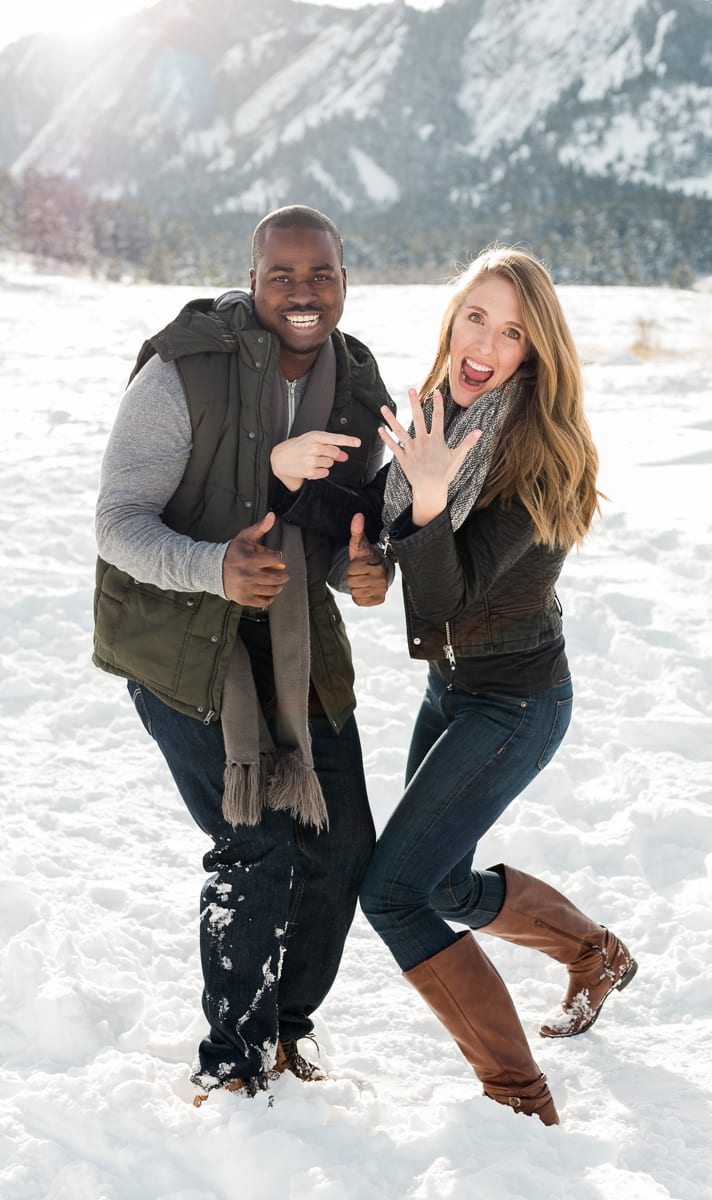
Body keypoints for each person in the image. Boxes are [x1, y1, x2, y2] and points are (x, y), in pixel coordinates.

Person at [93, 205, 394, 1103]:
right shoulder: (184, 369)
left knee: (341, 846)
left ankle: (283, 1032)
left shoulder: (355, 380)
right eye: (282, 275)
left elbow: (339, 529)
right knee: (253, 842)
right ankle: (231, 1064)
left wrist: (360, 569)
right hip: (180, 644)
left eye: (322, 274)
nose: (303, 293)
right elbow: (116, 524)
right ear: (252, 277)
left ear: (344, 278)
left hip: (297, 642)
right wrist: (216, 568)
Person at [357, 247, 638, 1126]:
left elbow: (442, 600)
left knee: (394, 891)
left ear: (534, 351)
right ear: (452, 321)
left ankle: (519, 1101)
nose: (485, 341)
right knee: (437, 884)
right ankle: (591, 954)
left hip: (515, 703)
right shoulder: (441, 415)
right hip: (454, 690)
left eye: (511, 330)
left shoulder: (539, 453)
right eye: (475, 317)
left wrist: (430, 500)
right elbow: (376, 524)